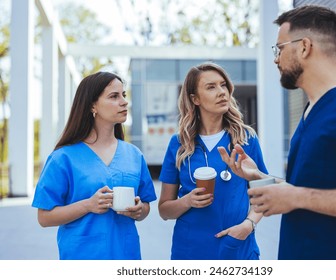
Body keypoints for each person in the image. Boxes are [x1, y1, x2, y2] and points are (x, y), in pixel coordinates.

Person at [218, 5, 336, 260]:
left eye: (280, 48)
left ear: (304, 47)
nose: (275, 58)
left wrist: (297, 196)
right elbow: (307, 190)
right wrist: (257, 175)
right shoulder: (311, 111)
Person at [32, 71, 157, 260]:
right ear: (92, 105)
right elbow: (44, 217)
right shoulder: (63, 158)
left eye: (123, 95)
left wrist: (139, 210)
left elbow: (146, 205)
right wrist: (88, 205)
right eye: (114, 96)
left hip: (126, 256)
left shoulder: (134, 155)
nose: (124, 102)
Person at [158, 62, 268, 260]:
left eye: (223, 85)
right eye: (211, 87)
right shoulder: (178, 144)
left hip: (238, 248)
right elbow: (164, 210)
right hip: (190, 251)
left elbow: (265, 192)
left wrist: (248, 225)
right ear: (195, 99)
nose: (221, 92)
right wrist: (187, 201)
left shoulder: (246, 139)